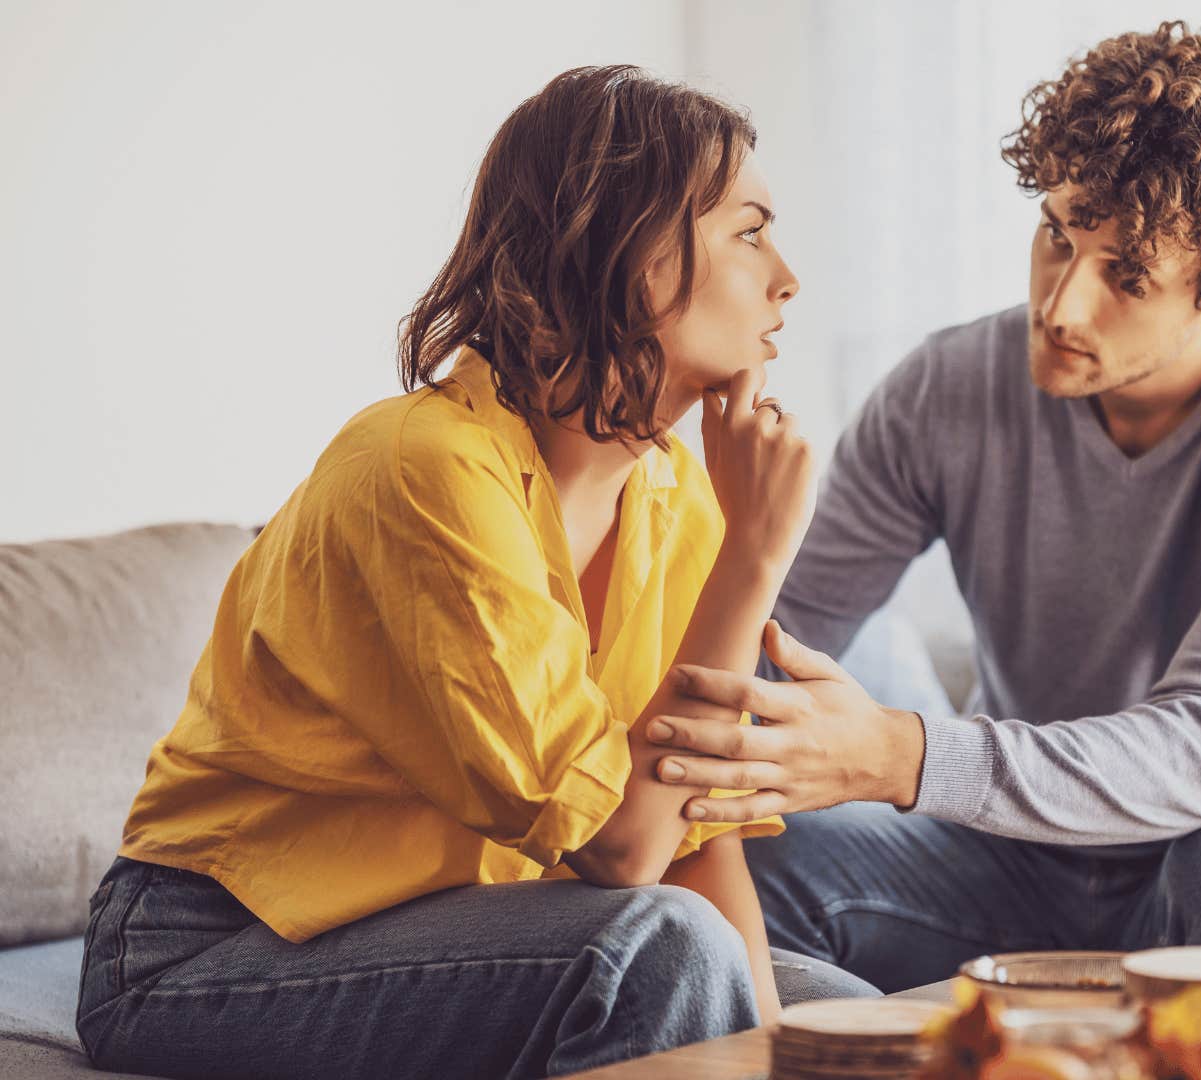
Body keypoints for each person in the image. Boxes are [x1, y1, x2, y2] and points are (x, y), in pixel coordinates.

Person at [76, 65, 871, 1080]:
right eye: (750, 233)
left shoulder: (676, 494)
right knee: (661, 954)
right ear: (628, 251)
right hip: (204, 948)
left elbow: (689, 841)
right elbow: (625, 857)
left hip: (464, 927)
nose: (788, 278)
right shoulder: (423, 468)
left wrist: (773, 1054)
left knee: (838, 1022)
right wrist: (755, 562)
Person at [639, 22, 1201, 1008]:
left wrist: (900, 755)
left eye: (1126, 274)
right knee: (721, 876)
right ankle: (893, 1051)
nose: (1061, 304)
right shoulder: (945, 388)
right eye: (1059, 233)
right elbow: (770, 650)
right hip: (1009, 865)